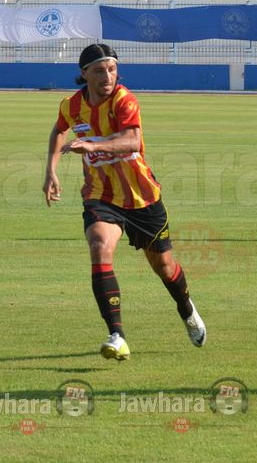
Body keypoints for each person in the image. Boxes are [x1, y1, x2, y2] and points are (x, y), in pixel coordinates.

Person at [43, 43, 206, 361]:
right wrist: (51, 171)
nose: (108, 76)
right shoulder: (71, 105)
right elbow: (58, 130)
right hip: (101, 195)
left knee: (164, 267)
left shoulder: (123, 99)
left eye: (112, 69)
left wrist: (91, 146)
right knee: (99, 245)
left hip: (142, 197)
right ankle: (117, 335)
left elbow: (133, 140)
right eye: (99, 70)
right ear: (84, 74)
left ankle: (186, 309)